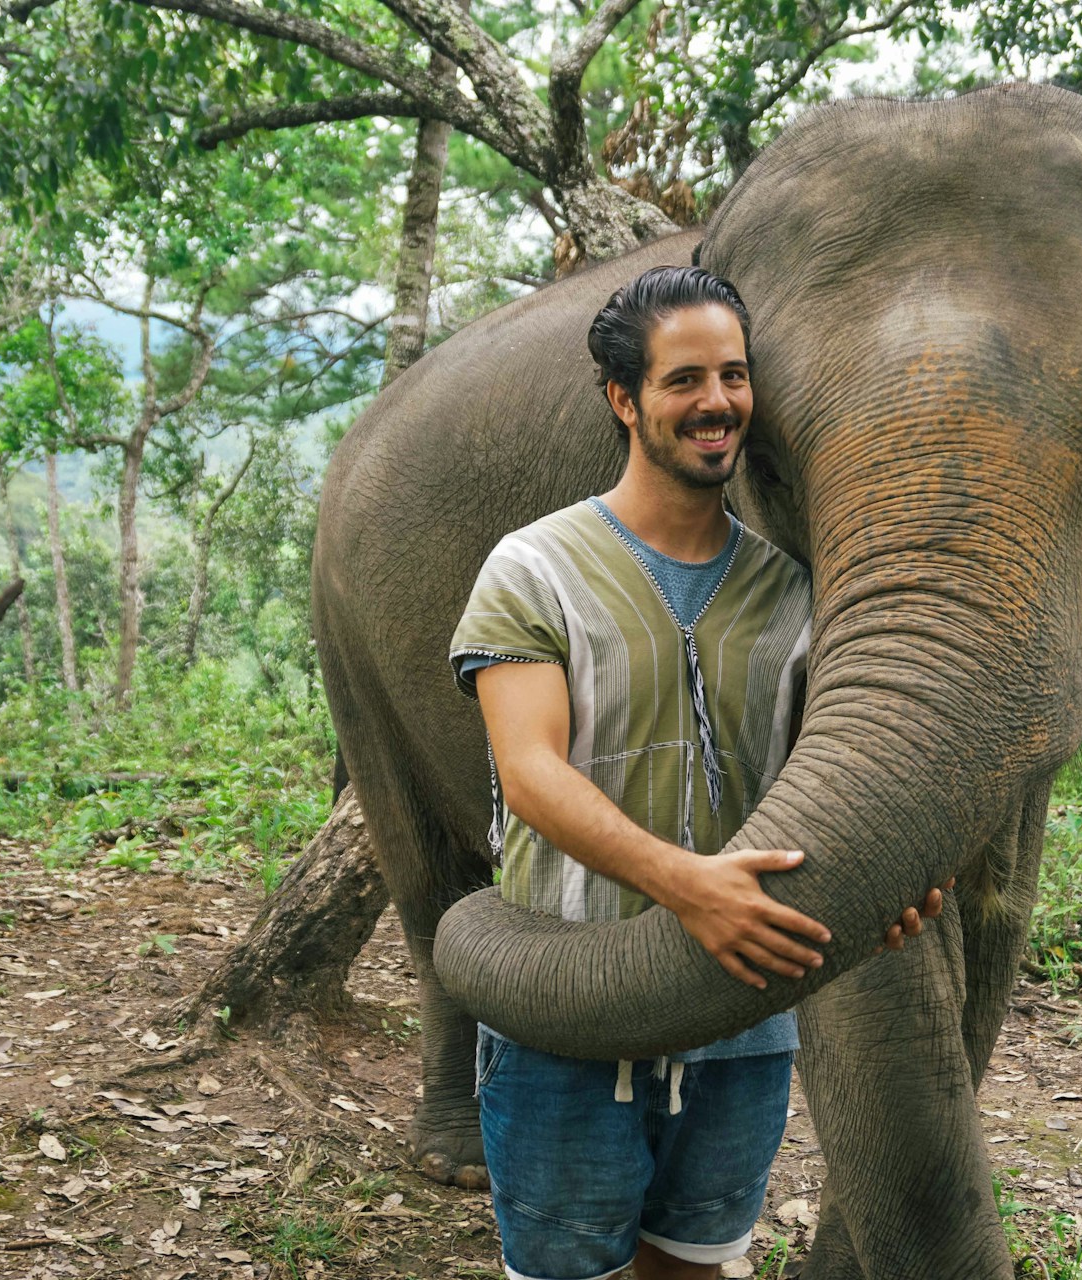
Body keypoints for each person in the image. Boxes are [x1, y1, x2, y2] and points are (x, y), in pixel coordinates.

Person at [448, 265, 944, 1280]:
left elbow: (838, 775)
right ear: (624, 399)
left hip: (741, 1023)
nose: (716, 401)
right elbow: (530, 772)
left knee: (693, 1267)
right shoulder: (531, 569)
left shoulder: (799, 595)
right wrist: (688, 885)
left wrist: (886, 883)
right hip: (567, 1015)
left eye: (733, 375)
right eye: (684, 380)